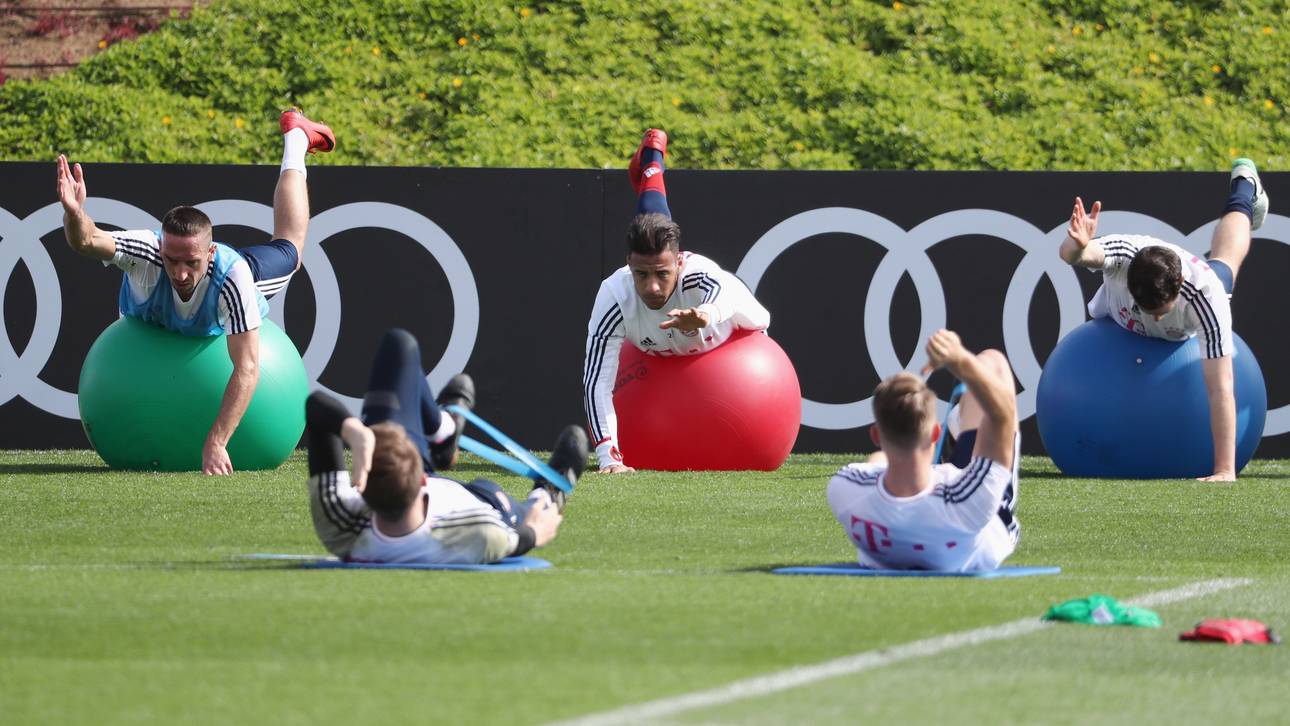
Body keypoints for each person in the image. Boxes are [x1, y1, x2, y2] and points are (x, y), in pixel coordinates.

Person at [57, 109, 336, 475]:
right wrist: (75, 213)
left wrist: (216, 441)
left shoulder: (234, 279)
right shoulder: (146, 253)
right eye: (172, 260)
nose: (181, 273)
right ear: (160, 250)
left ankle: (296, 142)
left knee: (291, 248)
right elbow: (88, 241)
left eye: (191, 262)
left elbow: (248, 368)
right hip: (154, 332)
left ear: (210, 253)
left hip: (240, 277)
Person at [1058, 159, 1269, 481]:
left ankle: (1245, 193)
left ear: (1179, 288)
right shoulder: (1122, 256)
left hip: (1195, 305)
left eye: (1161, 311)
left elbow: (1220, 388)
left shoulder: (1205, 297)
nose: (1153, 317)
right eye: (1145, 308)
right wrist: (1077, 244)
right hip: (1115, 327)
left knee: (1226, 259)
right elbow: (1073, 257)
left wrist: (1225, 470)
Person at [305, 328, 588, 565]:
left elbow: (316, 408)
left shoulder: (340, 520)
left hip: (396, 482)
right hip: (480, 500)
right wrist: (535, 528)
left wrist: (356, 432)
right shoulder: (475, 529)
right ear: (422, 477)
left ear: (361, 485)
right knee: (517, 503)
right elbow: (524, 537)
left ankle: (443, 433)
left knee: (399, 346)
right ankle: (549, 491)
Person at [582, 129, 772, 473]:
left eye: (662, 274)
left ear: (680, 262)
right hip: (657, 357)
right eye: (641, 274)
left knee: (658, 224)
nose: (652, 287)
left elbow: (724, 298)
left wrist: (704, 316)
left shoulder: (699, 274)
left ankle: (653, 165)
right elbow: (597, 380)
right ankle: (652, 163)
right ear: (628, 265)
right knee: (653, 224)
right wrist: (607, 454)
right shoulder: (614, 294)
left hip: (736, 337)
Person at [826, 330, 1020, 572]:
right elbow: (1002, 414)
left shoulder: (845, 488)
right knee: (993, 363)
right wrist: (959, 360)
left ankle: (946, 439)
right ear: (935, 435)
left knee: (878, 460)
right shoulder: (968, 500)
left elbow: (875, 468)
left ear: (876, 435)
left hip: (933, 500)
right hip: (967, 513)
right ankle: (957, 426)